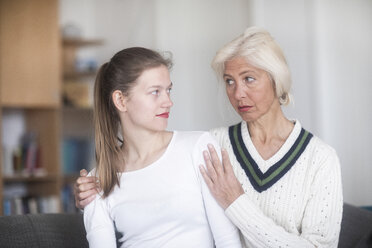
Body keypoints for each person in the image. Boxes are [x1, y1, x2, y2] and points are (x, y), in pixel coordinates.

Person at [75, 27, 343, 247]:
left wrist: (236, 203)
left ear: (277, 79)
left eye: (249, 79)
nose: (238, 94)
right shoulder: (213, 144)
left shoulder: (320, 159)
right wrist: (89, 197)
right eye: (229, 81)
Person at [82, 47, 241, 248]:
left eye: (168, 90)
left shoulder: (198, 148)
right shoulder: (97, 180)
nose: (168, 102)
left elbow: (228, 240)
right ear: (121, 100)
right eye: (155, 92)